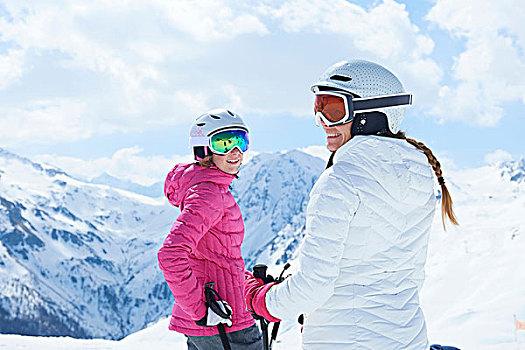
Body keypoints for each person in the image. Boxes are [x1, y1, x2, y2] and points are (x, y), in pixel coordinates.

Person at [244, 59, 459, 349]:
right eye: (318, 108)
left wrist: (258, 299)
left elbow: (313, 288)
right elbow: (369, 258)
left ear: (370, 114)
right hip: (408, 340)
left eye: (333, 110)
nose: (323, 122)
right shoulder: (420, 173)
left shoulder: (340, 180)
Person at [158, 108, 263, 350]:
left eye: (241, 141)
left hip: (220, 320)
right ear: (203, 149)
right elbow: (170, 255)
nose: (235, 151)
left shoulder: (212, 189)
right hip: (225, 324)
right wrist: (202, 310)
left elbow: (216, 259)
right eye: (224, 143)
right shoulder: (209, 194)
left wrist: (251, 285)